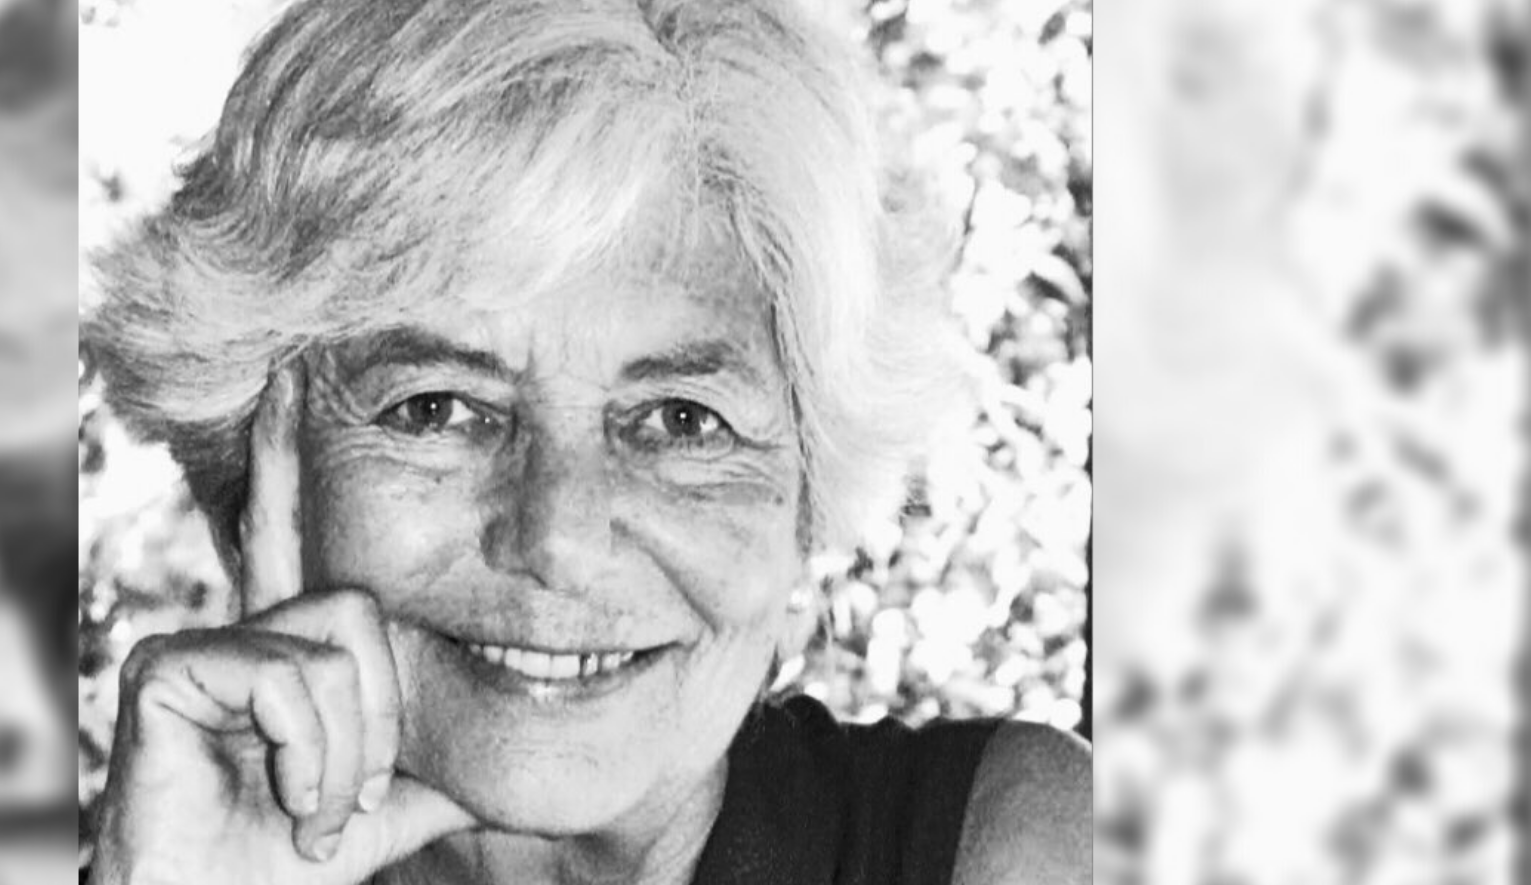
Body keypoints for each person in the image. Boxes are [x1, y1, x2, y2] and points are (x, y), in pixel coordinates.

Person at [83, 0, 1090, 882]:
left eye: (681, 421)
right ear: (256, 472)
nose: (558, 541)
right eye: (438, 409)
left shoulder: (1019, 848)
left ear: (805, 500)